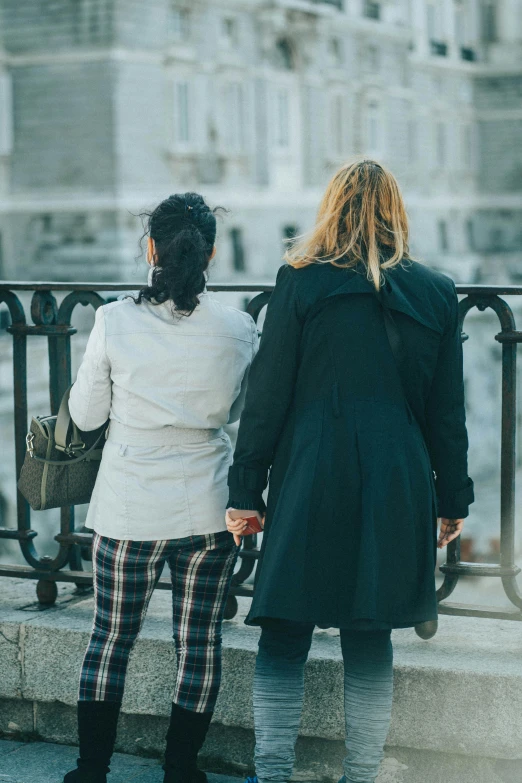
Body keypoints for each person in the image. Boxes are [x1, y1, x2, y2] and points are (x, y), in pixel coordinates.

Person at [225, 160, 474, 783]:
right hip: (398, 475)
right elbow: (447, 413)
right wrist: (453, 499)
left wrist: (244, 490)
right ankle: (361, 775)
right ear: (397, 212)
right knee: (370, 630)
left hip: (312, 468)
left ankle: (273, 774)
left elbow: (267, 398)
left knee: (284, 629)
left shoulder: (300, 283)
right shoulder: (438, 292)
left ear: (331, 210)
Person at [63, 192, 258, 783]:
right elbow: (240, 414)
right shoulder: (240, 326)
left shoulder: (114, 320)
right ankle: (181, 770)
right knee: (197, 642)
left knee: (110, 636)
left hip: (129, 506)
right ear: (211, 254)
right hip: (207, 504)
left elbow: (87, 416)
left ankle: (91, 771)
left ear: (151, 247)